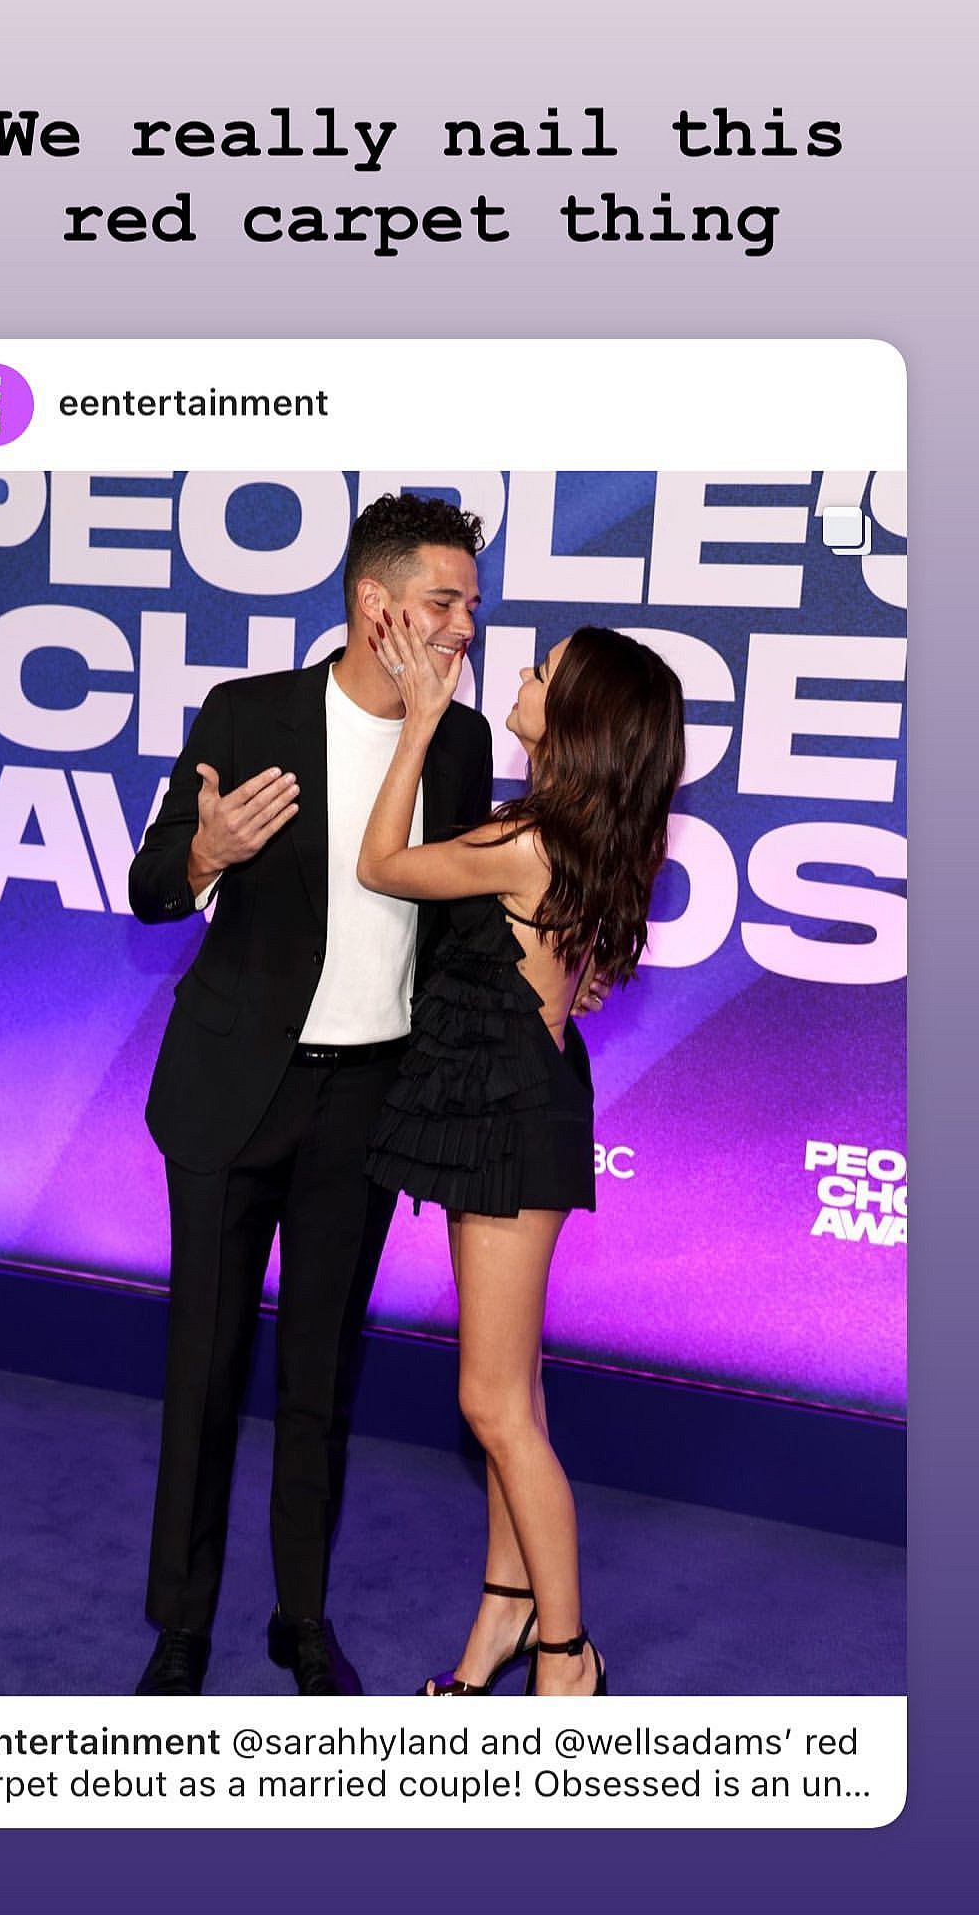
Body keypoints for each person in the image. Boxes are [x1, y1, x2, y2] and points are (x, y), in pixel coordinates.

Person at [128, 493, 492, 1695]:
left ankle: (300, 1616)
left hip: (370, 1101)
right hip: (238, 1088)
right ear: (373, 602)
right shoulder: (250, 712)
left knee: (321, 1374)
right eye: (443, 603)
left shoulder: (463, 741)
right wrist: (204, 852)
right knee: (206, 1364)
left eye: (470, 608)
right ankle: (180, 1626)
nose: (461, 628)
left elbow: (465, 920)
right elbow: (149, 886)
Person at [359, 616, 685, 1696]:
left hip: (507, 1118)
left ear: (577, 718)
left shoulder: (526, 844)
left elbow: (381, 863)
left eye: (544, 672)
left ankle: (567, 1652)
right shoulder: (569, 836)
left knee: (493, 1403)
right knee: (518, 1391)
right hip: (508, 1106)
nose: (524, 675)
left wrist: (414, 727)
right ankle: (504, 1612)